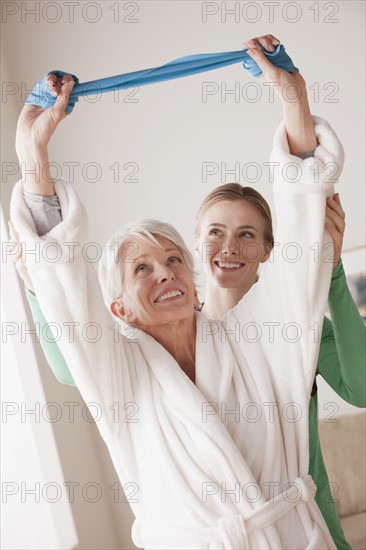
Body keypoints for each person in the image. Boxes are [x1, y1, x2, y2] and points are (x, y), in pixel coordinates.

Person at [10, 36, 345, 548]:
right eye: (141, 269)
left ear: (191, 279)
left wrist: (293, 97)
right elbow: (67, 299)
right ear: (118, 309)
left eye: (172, 261)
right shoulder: (118, 378)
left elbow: (300, 247)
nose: (164, 273)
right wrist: (32, 152)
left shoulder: (255, 339)